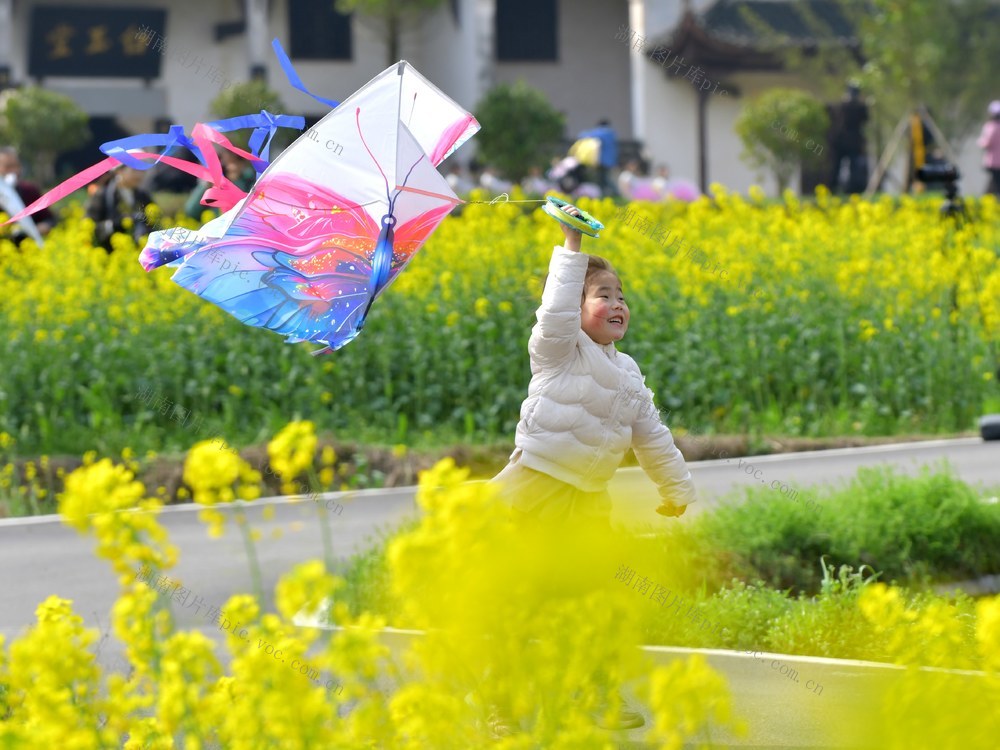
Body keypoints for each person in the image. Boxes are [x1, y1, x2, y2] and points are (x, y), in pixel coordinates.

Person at [487, 204, 697, 733]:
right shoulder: (558, 351)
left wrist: (677, 488)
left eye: (622, 296)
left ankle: (596, 693)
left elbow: (653, 437)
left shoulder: (629, 374)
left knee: (597, 601)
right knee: (521, 601)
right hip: (535, 491)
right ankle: (501, 705)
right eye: (603, 295)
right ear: (577, 308)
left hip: (589, 503)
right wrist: (572, 248)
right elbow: (554, 312)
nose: (618, 303)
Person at [86, 165, 154, 251]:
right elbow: (90, 226)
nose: (139, 174)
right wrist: (113, 225)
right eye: (135, 170)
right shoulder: (103, 194)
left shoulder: (143, 196)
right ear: (119, 171)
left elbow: (155, 223)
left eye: (142, 170)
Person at [0, 146, 56, 240]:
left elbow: (49, 219)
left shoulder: (30, 190)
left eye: (16, 166)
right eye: (8, 167)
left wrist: (39, 229)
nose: (14, 171)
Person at [829, 83, 869, 194]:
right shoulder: (844, 106)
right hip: (843, 142)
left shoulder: (851, 106)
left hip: (851, 143)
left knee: (853, 167)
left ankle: (851, 190)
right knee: (838, 167)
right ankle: (834, 189)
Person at [578, 119, 618, 196]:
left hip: (602, 160)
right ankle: (605, 193)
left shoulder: (603, 132)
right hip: (611, 160)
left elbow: (584, 135)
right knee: (604, 177)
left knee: (603, 178)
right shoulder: (612, 133)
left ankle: (614, 193)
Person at [977, 100, 1000, 196]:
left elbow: (986, 143)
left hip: (993, 161)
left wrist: (980, 141)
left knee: (996, 183)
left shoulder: (990, 127)